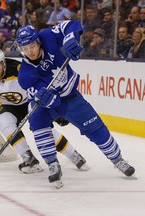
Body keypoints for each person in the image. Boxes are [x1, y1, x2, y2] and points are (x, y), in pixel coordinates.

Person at [16, 21, 135, 188]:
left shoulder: (47, 36)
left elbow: (71, 25)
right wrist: (45, 98)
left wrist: (70, 40)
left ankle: (118, 160)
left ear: (38, 41)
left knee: (96, 129)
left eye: (32, 46)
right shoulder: (25, 74)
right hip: (45, 105)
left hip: (71, 97)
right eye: (25, 48)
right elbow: (45, 98)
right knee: (37, 122)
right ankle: (52, 164)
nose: (30, 51)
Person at [0, 47, 89, 174]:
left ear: (3, 62)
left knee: (42, 130)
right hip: (10, 106)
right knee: (3, 122)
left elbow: (40, 87)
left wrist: (54, 108)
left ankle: (73, 155)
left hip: (31, 102)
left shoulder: (19, 70)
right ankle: (29, 158)